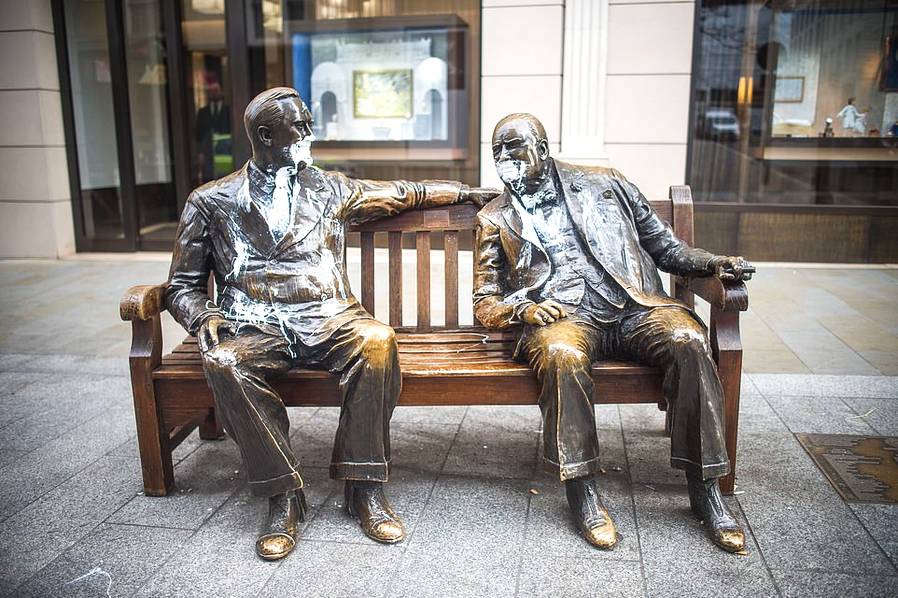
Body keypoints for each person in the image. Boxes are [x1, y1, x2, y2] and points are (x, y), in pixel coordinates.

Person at [166, 87, 496, 561]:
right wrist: (203, 315)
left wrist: (468, 193)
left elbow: (406, 193)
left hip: (329, 317)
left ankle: (363, 485)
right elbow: (181, 285)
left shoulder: (330, 187)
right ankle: (283, 495)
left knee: (378, 341)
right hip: (254, 325)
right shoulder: (212, 201)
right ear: (264, 134)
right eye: (299, 125)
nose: (309, 132)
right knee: (223, 360)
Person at [474, 113, 753, 553]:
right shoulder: (497, 218)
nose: (504, 158)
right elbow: (485, 301)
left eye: (514, 148)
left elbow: (667, 249)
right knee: (563, 354)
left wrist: (713, 264)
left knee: (690, 341)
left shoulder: (607, 183)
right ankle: (582, 491)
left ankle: (706, 490)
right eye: (497, 151)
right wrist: (522, 307)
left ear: (543, 151)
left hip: (634, 307)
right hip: (563, 319)